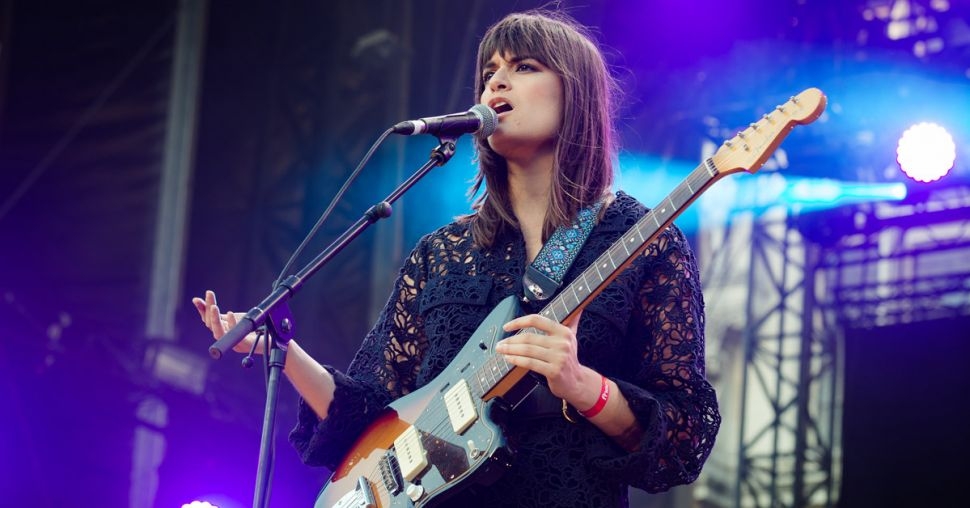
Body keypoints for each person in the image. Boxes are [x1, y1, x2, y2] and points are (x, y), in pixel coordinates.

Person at [194, 9, 719, 507]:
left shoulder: (644, 239)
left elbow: (685, 436)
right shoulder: (443, 255)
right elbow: (371, 417)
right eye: (490, 71)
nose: (496, 82)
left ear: (575, 94)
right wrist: (283, 351)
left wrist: (585, 386)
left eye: (524, 67)